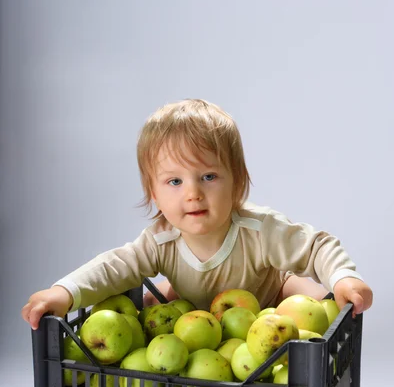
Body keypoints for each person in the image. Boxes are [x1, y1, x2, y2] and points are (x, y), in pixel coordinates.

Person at [21, 99, 373, 330]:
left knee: (307, 300)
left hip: (266, 306)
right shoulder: (161, 241)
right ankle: (168, 292)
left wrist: (343, 279)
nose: (192, 193)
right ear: (154, 194)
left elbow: (316, 246)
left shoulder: (259, 230)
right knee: (156, 302)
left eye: (208, 176)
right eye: (174, 181)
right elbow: (114, 266)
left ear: (237, 183)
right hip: (198, 319)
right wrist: (64, 292)